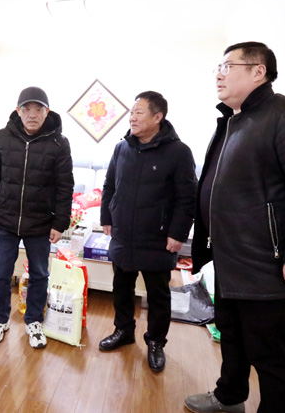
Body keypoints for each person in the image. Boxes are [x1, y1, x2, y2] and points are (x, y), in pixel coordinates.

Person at [184, 42, 285, 413]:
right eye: (218, 67)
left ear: (259, 71)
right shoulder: (234, 121)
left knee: (268, 352)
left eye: (228, 66)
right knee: (232, 336)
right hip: (232, 261)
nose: (219, 74)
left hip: (267, 267)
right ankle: (229, 397)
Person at [99, 91, 197, 373]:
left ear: (157, 117)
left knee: (158, 296)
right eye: (131, 112)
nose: (132, 117)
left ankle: (155, 342)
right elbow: (109, 185)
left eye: (139, 112)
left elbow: (187, 198)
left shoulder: (179, 152)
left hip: (158, 238)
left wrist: (178, 234)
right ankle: (123, 331)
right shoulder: (122, 148)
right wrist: (107, 216)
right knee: (121, 288)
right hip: (124, 234)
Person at [0, 86, 74, 349]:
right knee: (0, 273)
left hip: (40, 223)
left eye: (38, 109)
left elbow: (65, 186)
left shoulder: (59, 143)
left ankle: (34, 321)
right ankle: (0, 319)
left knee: (40, 274)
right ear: (18, 111)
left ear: (47, 112)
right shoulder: (2, 137)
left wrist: (60, 223)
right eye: (27, 109)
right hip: (5, 220)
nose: (32, 114)